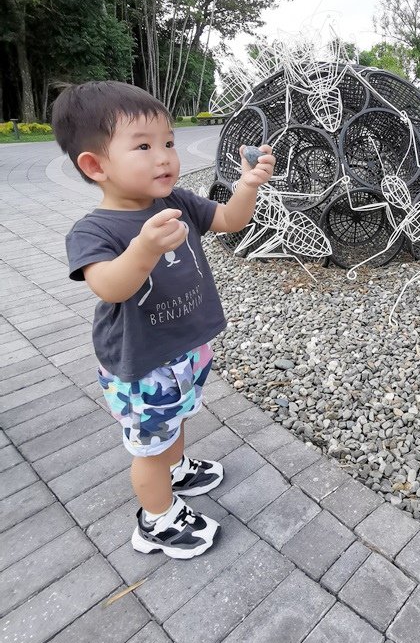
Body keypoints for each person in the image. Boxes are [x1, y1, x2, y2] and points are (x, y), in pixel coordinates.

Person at [52, 82, 275, 559]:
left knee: (173, 424)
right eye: (144, 146)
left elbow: (231, 221)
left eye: (169, 142)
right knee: (149, 448)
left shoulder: (180, 202)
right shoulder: (94, 230)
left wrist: (248, 185)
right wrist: (145, 247)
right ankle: (157, 520)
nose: (165, 157)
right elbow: (110, 285)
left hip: (186, 350)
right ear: (95, 166)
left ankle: (176, 469)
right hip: (142, 366)